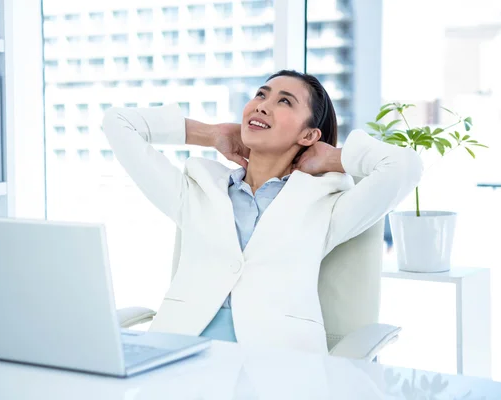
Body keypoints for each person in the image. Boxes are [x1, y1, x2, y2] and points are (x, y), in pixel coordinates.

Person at [102, 70, 423, 355]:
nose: (262, 105)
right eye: (260, 94)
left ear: (308, 135)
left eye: (285, 102)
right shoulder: (196, 189)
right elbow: (117, 123)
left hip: (277, 365)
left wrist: (334, 158)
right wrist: (209, 133)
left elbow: (404, 166)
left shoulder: (326, 206)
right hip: (179, 356)